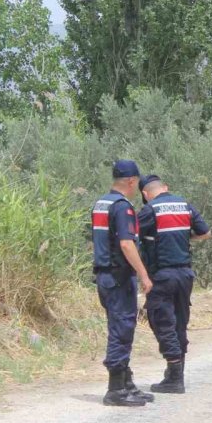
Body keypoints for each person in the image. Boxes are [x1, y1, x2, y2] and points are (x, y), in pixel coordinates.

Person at [138, 175, 211, 394]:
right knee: (179, 323)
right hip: (185, 275)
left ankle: (175, 376)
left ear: (145, 194)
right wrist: (185, 239)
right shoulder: (185, 205)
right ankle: (175, 374)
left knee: (161, 322)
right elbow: (206, 233)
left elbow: (130, 236)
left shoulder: (150, 210)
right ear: (166, 188)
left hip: (162, 276)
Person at [91, 159, 153, 407]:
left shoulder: (101, 203)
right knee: (121, 329)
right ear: (131, 181)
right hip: (118, 277)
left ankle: (126, 382)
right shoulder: (122, 207)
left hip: (105, 275)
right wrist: (144, 275)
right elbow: (127, 244)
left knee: (122, 327)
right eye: (137, 182)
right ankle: (115, 389)